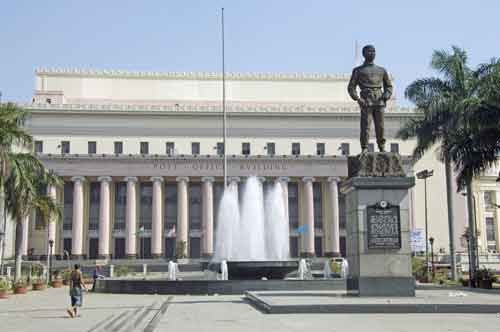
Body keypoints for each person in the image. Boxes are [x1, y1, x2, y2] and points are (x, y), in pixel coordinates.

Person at [347, 44, 393, 153]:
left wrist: (386, 96)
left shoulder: (381, 70)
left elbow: (389, 86)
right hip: (366, 101)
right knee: (365, 126)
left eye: (373, 51)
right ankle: (364, 147)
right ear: (364, 54)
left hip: (379, 100)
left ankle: (381, 146)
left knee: (380, 126)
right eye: (369, 51)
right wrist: (358, 99)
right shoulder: (358, 71)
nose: (372, 53)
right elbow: (351, 87)